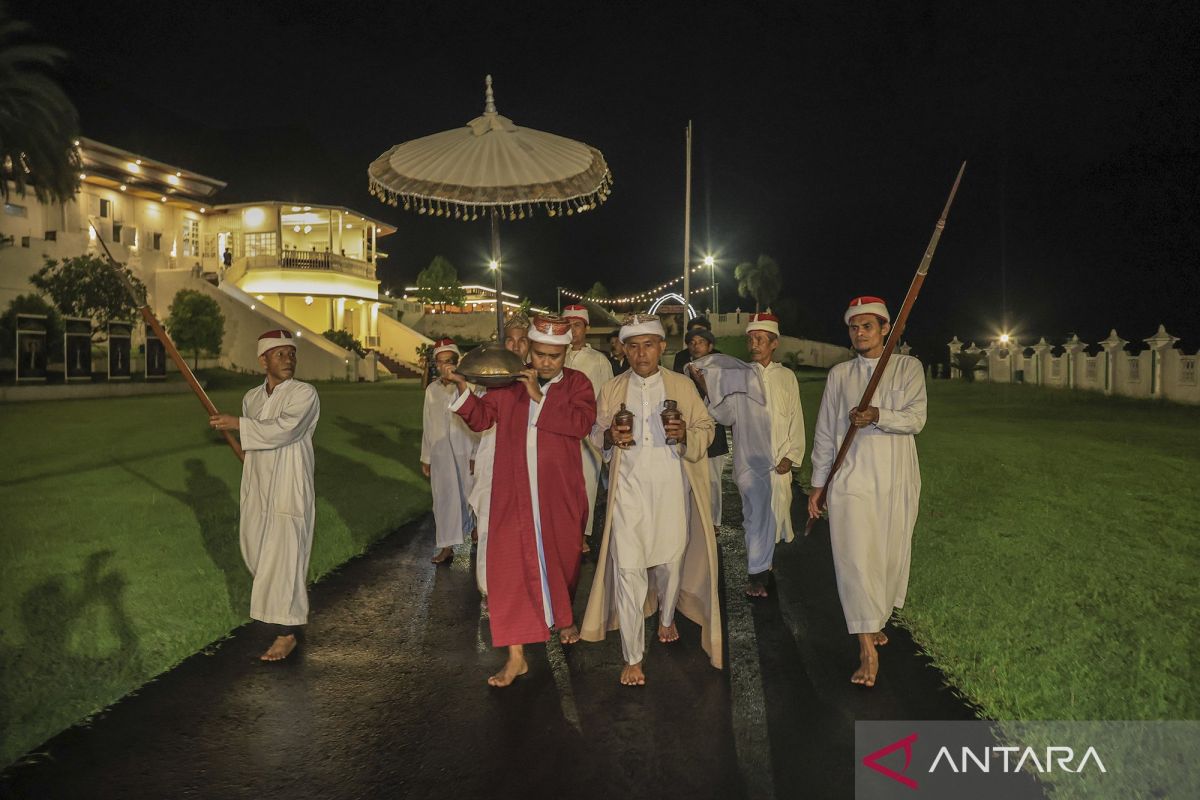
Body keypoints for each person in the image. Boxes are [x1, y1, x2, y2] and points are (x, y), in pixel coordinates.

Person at [446, 314, 596, 687]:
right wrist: (464, 390)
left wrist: (539, 398)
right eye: (540, 354)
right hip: (512, 492)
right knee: (510, 569)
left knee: (564, 563)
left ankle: (562, 615)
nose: (545, 362)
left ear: (566, 354)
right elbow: (482, 420)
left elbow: (580, 425)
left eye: (554, 356)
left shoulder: (577, 383)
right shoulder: (510, 383)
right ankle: (516, 657)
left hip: (558, 493)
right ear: (528, 348)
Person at [581, 314, 721, 686]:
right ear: (623, 350)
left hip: (672, 492)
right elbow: (595, 431)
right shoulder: (612, 388)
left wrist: (686, 433)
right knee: (627, 570)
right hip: (627, 496)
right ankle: (632, 657)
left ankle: (666, 616)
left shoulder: (682, 385)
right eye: (633, 346)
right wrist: (608, 437)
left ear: (661, 347)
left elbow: (707, 426)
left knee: (671, 565)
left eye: (648, 345)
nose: (641, 353)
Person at [808, 296, 927, 688]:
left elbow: (916, 419)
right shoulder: (839, 375)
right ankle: (865, 646)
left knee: (888, 557)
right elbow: (826, 432)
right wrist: (818, 484)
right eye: (854, 327)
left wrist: (878, 415)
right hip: (851, 480)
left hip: (896, 479)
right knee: (855, 558)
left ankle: (874, 619)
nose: (859, 333)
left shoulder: (908, 367)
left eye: (867, 326)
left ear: (885, 329)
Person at [209, 329, 320, 661]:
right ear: (263, 360)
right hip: (258, 486)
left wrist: (238, 425)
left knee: (285, 556)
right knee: (256, 550)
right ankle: (280, 610)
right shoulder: (251, 398)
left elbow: (286, 429)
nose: (288, 359)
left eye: (291, 353)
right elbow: (256, 441)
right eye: (280, 354)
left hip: (289, 485)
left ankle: (287, 633)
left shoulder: (305, 393)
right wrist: (246, 447)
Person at [689, 312, 804, 598]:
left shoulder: (786, 377)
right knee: (755, 518)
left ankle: (765, 566)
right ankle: (757, 576)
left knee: (775, 517)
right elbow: (726, 416)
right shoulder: (740, 376)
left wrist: (791, 455)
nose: (754, 344)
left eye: (760, 339)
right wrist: (706, 388)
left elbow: (796, 419)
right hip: (750, 462)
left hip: (779, 462)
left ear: (774, 343)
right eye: (750, 339)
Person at [468, 313, 531, 596]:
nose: (516, 346)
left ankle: (521, 587)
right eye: (510, 340)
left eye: (522, 340)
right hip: (492, 461)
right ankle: (489, 588)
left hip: (525, 465)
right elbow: (479, 419)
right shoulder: (488, 377)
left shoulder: (536, 379)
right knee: (489, 523)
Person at [421, 338, 480, 565]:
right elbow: (428, 424)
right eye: (441, 362)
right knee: (444, 499)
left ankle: (476, 530)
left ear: (457, 362)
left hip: (466, 450)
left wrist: (475, 454)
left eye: (449, 361)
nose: (445, 366)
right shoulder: (432, 390)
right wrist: (426, 457)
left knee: (472, 494)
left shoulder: (469, 386)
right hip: (441, 454)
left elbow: (478, 423)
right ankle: (447, 546)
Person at [561, 304, 614, 550]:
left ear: (587, 328)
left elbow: (607, 397)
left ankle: (582, 535)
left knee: (586, 485)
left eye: (577, 325)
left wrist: (603, 432)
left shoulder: (598, 360)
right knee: (559, 484)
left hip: (587, 432)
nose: (572, 331)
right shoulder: (555, 355)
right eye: (568, 325)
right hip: (558, 431)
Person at [675, 327, 729, 530]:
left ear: (710, 346)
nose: (695, 346)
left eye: (700, 342)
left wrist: (702, 381)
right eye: (692, 342)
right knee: (689, 477)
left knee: (713, 480)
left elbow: (723, 401)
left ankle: (713, 522)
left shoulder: (719, 368)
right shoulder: (684, 368)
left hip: (714, 431)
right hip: (690, 431)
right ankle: (692, 520)